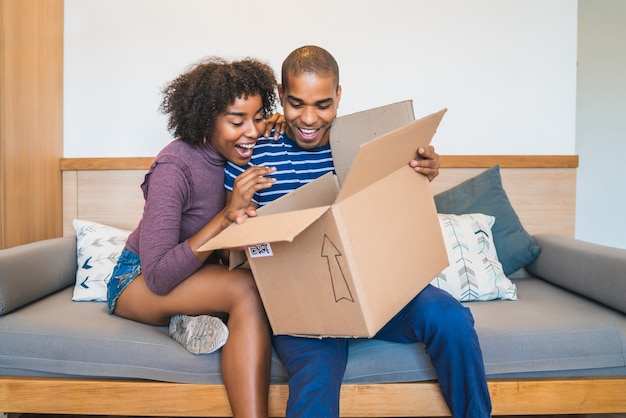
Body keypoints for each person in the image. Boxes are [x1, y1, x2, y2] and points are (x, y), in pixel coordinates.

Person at [224, 45, 492, 417]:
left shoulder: (363, 144)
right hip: (303, 300)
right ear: (281, 96)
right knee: (316, 375)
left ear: (339, 95)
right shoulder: (256, 148)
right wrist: (238, 216)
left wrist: (422, 172)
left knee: (451, 318)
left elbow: (398, 204)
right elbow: (231, 246)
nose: (309, 118)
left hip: (375, 286)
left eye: (322, 104)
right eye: (296, 103)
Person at [106, 56, 280, 418]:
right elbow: (157, 276)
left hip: (192, 276)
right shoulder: (175, 167)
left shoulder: (244, 152)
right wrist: (224, 216)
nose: (252, 131)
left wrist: (285, 126)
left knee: (260, 282)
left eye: (259, 115)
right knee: (245, 290)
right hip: (136, 279)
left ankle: (185, 322)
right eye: (237, 121)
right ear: (206, 120)